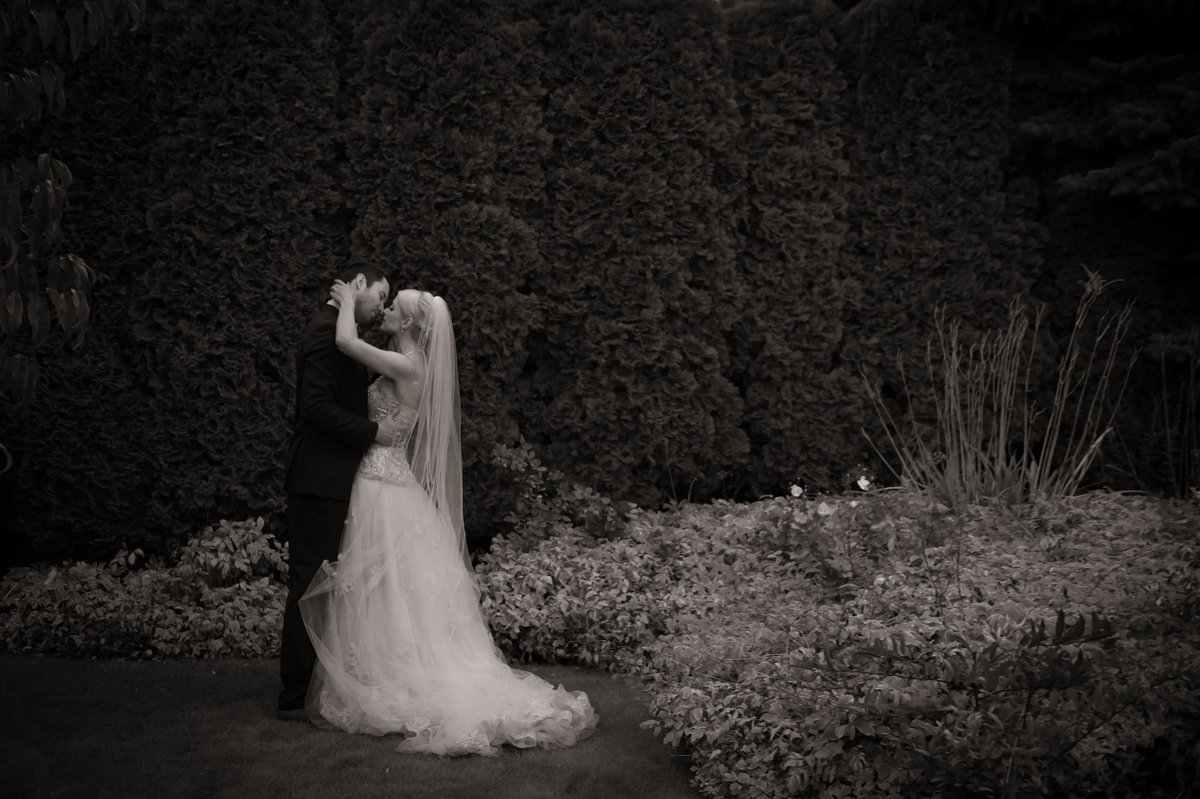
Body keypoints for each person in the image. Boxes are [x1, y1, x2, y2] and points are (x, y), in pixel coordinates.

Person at [298, 282, 598, 756]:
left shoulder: (408, 364)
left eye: (394, 307)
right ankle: (378, 663)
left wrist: (348, 302)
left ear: (411, 323)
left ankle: (390, 670)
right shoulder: (400, 357)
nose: (388, 310)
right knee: (386, 584)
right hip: (383, 480)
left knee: (384, 583)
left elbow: (345, 343)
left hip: (380, 484)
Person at [278, 266, 398, 720]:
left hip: (331, 479)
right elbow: (315, 408)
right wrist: (374, 433)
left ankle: (313, 685)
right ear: (358, 283)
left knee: (322, 584)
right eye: (380, 296)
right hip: (317, 479)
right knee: (309, 583)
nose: (382, 307)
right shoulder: (324, 332)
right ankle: (293, 696)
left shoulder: (338, 329)